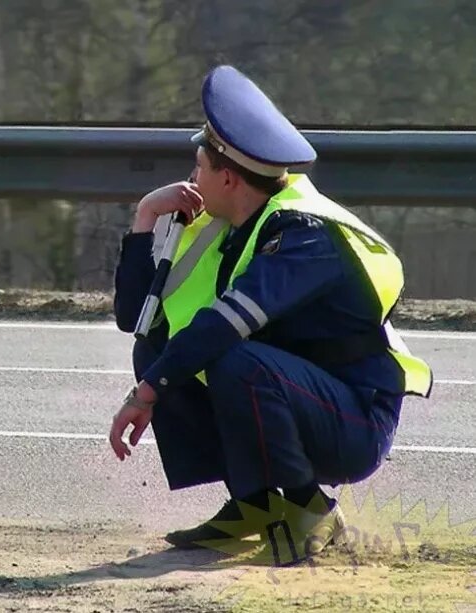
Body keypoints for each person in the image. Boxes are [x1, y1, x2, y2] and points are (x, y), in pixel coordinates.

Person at [108, 65, 432, 560]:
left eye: (199, 167)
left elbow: (227, 323)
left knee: (233, 358)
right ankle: (253, 506)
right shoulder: (226, 224)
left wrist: (146, 394)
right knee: (157, 349)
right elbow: (140, 321)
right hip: (299, 393)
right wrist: (145, 217)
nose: (191, 178)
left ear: (229, 177)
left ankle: (311, 510)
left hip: (354, 419)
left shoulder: (305, 235)